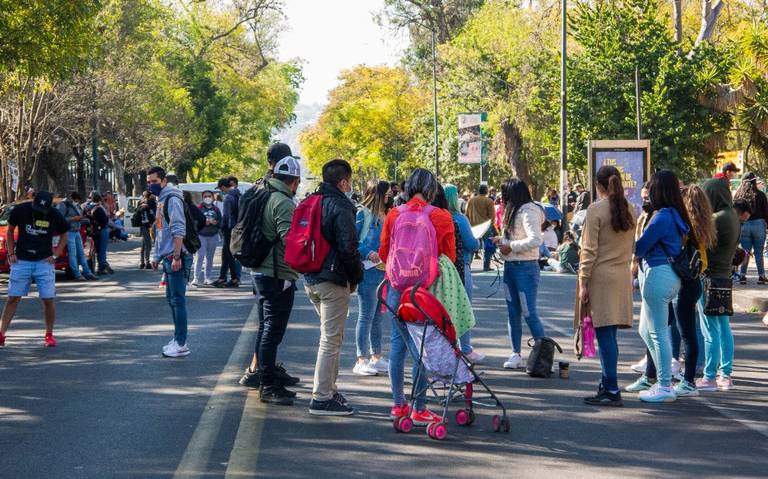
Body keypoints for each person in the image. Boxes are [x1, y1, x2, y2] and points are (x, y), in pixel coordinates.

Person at [379, 168, 455, 426]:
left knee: (397, 345)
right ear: (433, 190)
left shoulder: (393, 214)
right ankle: (420, 406)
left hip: (396, 288)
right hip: (425, 291)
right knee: (421, 346)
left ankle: (398, 405)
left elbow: (383, 252)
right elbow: (449, 258)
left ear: (408, 187)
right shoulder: (441, 217)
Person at [304, 159, 364, 416]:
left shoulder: (314, 201)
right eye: (349, 181)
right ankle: (321, 397)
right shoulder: (341, 206)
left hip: (311, 277)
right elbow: (349, 248)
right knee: (330, 340)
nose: (350, 185)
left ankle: (329, 388)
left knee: (332, 337)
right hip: (332, 279)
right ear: (343, 182)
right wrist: (356, 278)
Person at [244, 156, 303, 405]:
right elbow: (291, 240)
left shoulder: (263, 194)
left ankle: (263, 375)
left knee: (266, 326)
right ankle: (268, 384)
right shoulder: (282, 202)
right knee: (272, 330)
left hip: (261, 269)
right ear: (295, 181)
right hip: (275, 273)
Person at [576, 166, 636, 406]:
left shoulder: (595, 210)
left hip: (600, 277)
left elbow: (589, 250)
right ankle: (607, 383)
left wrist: (583, 281)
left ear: (598, 185)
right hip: (621, 276)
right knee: (609, 334)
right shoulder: (629, 208)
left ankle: (611, 387)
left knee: (603, 334)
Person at [633, 170, 690, 403]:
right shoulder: (675, 214)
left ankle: (665, 384)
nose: (648, 195)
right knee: (646, 330)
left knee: (657, 333)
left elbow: (640, 247)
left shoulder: (662, 216)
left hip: (658, 275)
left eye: (652, 189)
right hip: (667, 275)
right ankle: (664, 377)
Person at [0, 192, 69, 348]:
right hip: (21, 260)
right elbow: (10, 231)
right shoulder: (20, 210)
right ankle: (1, 334)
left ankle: (49, 334)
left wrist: (56, 255)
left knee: (48, 299)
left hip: (43, 262)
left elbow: (65, 234)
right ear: (33, 202)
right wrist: (11, 253)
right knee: (13, 298)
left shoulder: (54, 214)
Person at [492, 178, 547, 370]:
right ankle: (516, 353)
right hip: (511, 268)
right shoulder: (514, 210)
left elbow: (536, 239)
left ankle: (543, 355)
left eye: (504, 194)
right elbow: (516, 238)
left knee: (528, 312)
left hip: (525, 268)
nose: (502, 199)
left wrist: (510, 246)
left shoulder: (529, 210)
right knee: (512, 312)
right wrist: (502, 241)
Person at [697, 179, 741, 392]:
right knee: (723, 327)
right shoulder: (732, 216)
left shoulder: (716, 219)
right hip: (724, 277)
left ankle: (709, 376)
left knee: (710, 329)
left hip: (709, 278)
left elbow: (699, 241)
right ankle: (726, 374)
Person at [148, 166, 193, 358]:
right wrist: (156, 255)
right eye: (149, 182)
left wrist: (176, 256)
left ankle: (181, 342)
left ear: (164, 181)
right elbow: (159, 231)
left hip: (177, 256)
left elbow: (178, 230)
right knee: (171, 300)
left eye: (155, 182)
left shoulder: (172, 199)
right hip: (167, 257)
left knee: (177, 300)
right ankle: (177, 339)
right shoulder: (162, 200)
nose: (151, 185)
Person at [352, 180, 390, 377]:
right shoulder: (363, 214)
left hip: (382, 272)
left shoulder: (384, 214)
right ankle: (361, 359)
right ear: (378, 194)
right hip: (368, 272)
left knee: (377, 317)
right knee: (366, 316)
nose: (390, 195)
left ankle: (376, 356)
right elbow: (354, 242)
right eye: (386, 192)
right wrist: (368, 253)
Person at [445, 184, 485, 363]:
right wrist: (479, 241)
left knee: (445, 310)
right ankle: (466, 348)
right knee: (464, 309)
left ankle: (449, 348)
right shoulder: (460, 219)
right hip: (463, 265)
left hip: (443, 266)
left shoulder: (438, 217)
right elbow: (471, 243)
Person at [733, 172, 768, 284]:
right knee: (759, 252)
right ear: (754, 181)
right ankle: (761, 276)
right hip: (759, 224)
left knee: (745, 251)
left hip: (744, 224)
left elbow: (735, 212)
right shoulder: (761, 195)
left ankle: (742, 276)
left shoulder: (738, 195)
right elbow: (766, 212)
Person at [57, 192, 97, 281]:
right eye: (75, 200)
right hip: (69, 232)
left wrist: (80, 218)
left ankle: (87, 272)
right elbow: (60, 219)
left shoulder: (77, 206)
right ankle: (77, 274)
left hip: (77, 231)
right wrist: (73, 219)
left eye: (78, 200)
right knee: (72, 254)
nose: (77, 202)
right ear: (72, 198)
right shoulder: (64, 206)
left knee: (81, 254)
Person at [213, 177, 241, 288]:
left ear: (224, 187)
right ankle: (222, 278)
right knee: (226, 254)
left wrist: (224, 228)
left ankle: (234, 279)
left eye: (220, 188)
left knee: (229, 255)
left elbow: (227, 216)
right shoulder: (238, 195)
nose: (221, 190)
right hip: (237, 228)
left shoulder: (229, 197)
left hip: (229, 230)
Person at [192, 190, 221, 286]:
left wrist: (216, 223)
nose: (207, 198)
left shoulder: (216, 209)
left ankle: (207, 277)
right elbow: (194, 221)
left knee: (210, 257)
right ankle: (196, 278)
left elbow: (221, 222)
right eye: (205, 196)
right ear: (202, 197)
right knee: (200, 256)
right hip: (201, 235)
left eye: (209, 196)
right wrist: (203, 223)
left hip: (213, 235)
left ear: (213, 197)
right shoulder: (199, 208)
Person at [466, 184, 496, 271]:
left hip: (473, 226)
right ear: (486, 191)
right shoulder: (489, 201)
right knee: (487, 247)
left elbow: (466, 214)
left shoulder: (471, 200)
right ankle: (486, 266)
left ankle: (468, 265)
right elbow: (492, 216)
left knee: (471, 247)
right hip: (485, 227)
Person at [89, 193, 113, 275]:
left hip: (95, 230)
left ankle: (101, 266)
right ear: (99, 200)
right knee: (102, 249)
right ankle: (102, 266)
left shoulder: (88, 207)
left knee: (98, 249)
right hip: (102, 229)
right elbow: (105, 220)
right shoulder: (99, 208)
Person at [137, 191, 157, 269]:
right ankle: (147, 263)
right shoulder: (150, 203)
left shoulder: (140, 203)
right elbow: (153, 214)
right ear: (150, 196)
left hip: (142, 226)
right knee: (148, 245)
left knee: (144, 244)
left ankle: (142, 262)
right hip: (148, 225)